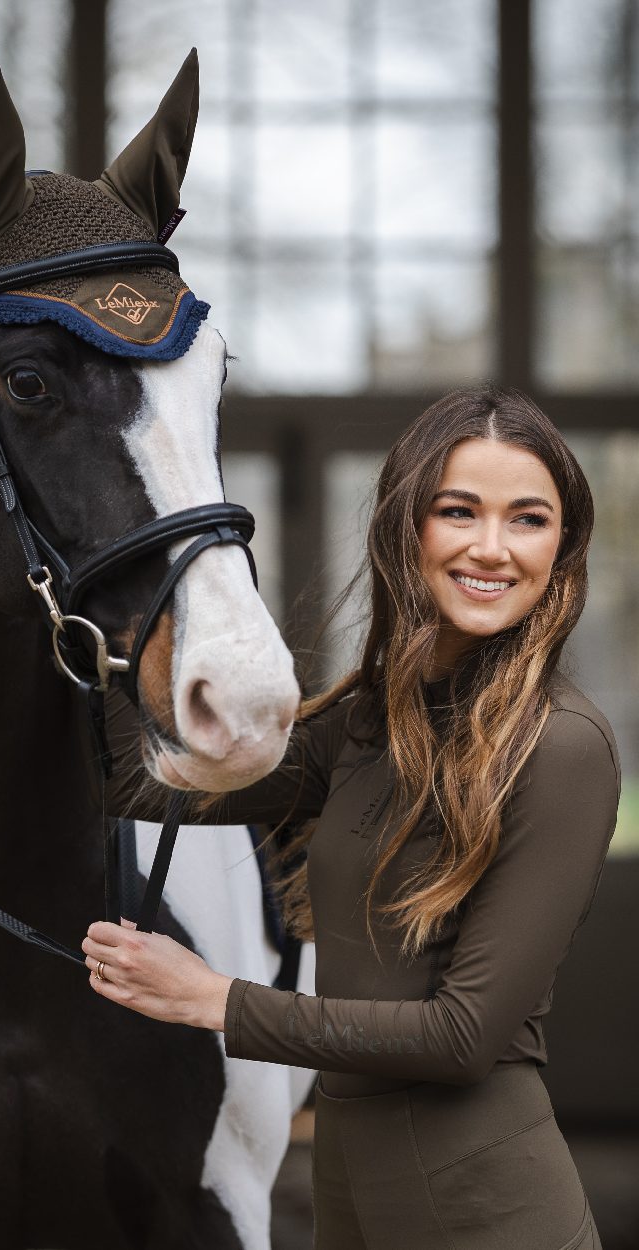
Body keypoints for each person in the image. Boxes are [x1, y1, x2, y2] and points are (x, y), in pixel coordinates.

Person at [81, 385, 619, 1249]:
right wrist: (126, 595)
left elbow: (463, 1036)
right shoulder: (371, 719)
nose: (492, 548)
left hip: (489, 1213)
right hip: (352, 1201)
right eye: (458, 510)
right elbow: (144, 782)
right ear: (407, 527)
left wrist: (212, 1000)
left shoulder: (562, 747)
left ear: (563, 544)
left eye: (528, 519)